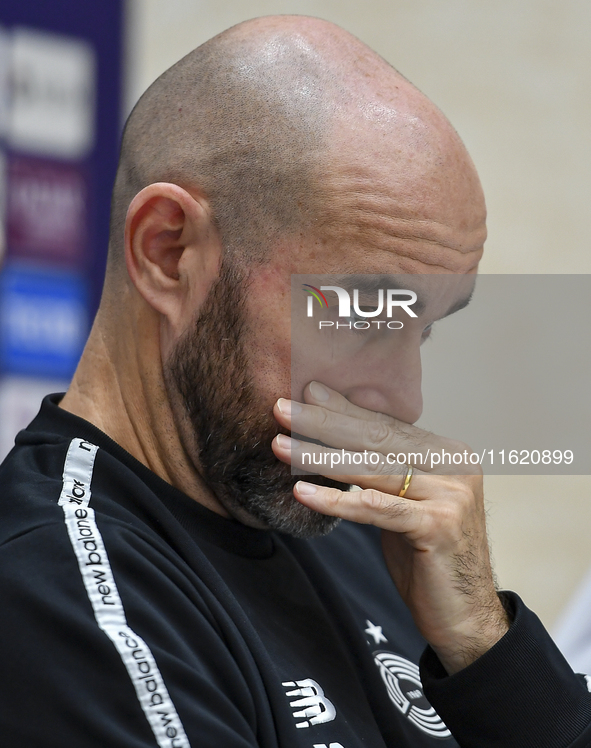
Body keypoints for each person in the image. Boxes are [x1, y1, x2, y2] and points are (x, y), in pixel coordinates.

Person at [1, 15, 589, 748]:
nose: (404, 399)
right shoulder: (60, 596)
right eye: (361, 316)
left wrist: (484, 645)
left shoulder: (364, 535)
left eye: (426, 326)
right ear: (167, 250)